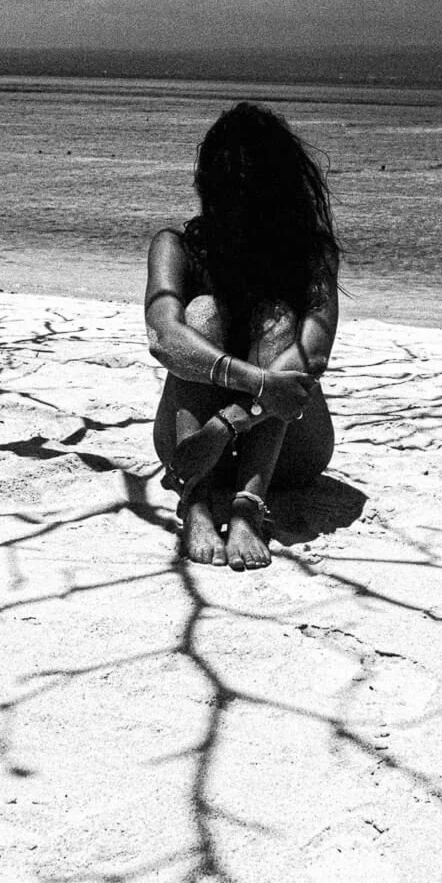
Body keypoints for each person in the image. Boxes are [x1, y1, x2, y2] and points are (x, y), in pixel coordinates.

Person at [145, 101, 339, 571]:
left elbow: (311, 356)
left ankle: (247, 504)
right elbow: (163, 335)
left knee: (278, 321)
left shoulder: (311, 255)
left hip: (288, 449)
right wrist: (255, 384)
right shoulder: (177, 247)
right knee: (203, 311)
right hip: (191, 453)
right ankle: (196, 502)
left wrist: (227, 423)